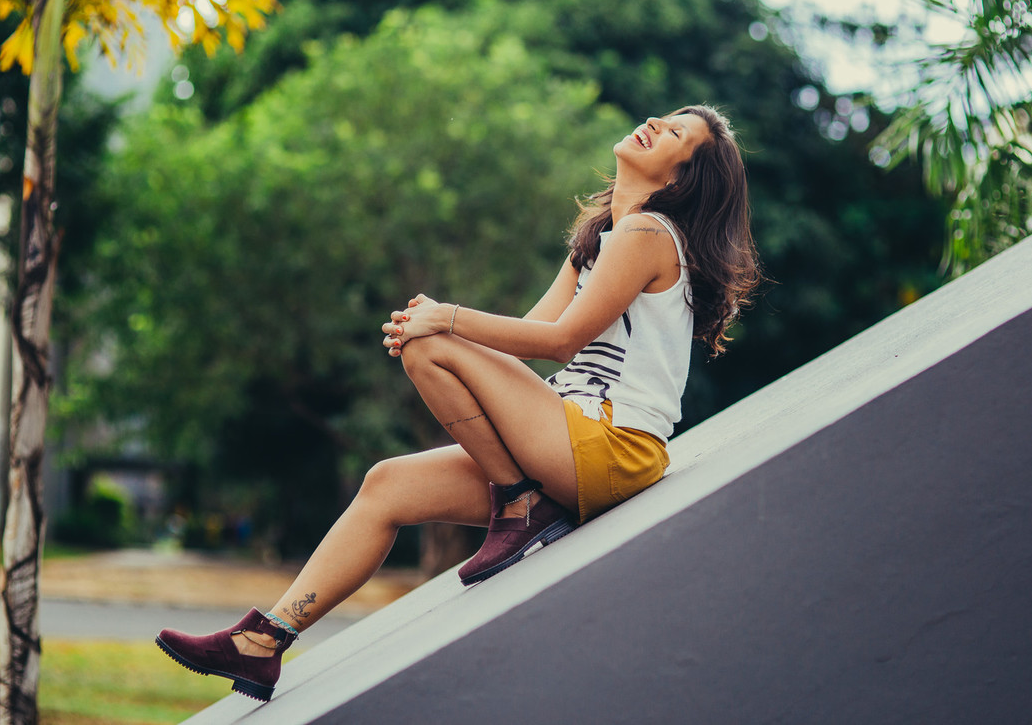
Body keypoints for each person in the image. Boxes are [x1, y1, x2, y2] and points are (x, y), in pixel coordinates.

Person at [155, 104, 761, 702]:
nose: (656, 123)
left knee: (431, 345)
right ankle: (263, 642)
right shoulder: (603, 237)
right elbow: (526, 338)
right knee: (387, 484)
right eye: (665, 116)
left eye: (675, 132)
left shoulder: (648, 234)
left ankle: (519, 501)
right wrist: (441, 332)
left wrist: (443, 321)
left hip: (610, 448)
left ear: (679, 178)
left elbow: (560, 342)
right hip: (568, 441)